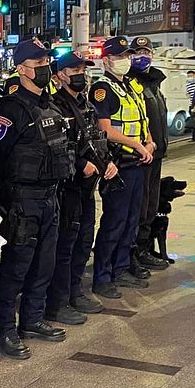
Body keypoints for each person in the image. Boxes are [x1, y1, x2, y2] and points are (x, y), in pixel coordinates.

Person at [0, 37, 76, 357]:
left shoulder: (50, 105)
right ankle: (5, 331)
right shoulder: (10, 109)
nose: (45, 69)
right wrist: (4, 204)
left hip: (51, 197)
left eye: (46, 63)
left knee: (44, 264)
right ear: (21, 68)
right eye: (38, 65)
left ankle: (33, 319)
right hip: (22, 201)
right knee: (15, 268)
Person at [47, 51, 117, 320]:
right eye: (74, 70)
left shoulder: (86, 105)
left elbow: (96, 138)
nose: (81, 75)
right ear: (61, 75)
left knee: (83, 241)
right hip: (68, 188)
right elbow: (58, 146)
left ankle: (75, 291)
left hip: (87, 188)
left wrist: (107, 161)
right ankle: (59, 301)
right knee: (65, 245)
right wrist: (79, 165)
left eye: (83, 70)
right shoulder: (57, 105)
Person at [89, 36, 155, 297]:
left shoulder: (131, 86)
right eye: (119, 57)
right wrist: (138, 145)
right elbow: (104, 129)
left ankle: (121, 269)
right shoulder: (102, 89)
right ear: (106, 60)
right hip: (118, 165)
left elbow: (142, 120)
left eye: (127, 56)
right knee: (114, 223)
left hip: (137, 163)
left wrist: (148, 143)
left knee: (131, 221)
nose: (125, 61)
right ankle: (102, 277)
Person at [129, 37, 171, 274]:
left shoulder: (154, 83)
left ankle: (143, 249)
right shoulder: (131, 84)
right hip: (138, 157)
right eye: (136, 52)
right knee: (139, 208)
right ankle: (133, 254)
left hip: (156, 156)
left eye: (145, 51)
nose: (141, 55)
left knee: (150, 206)